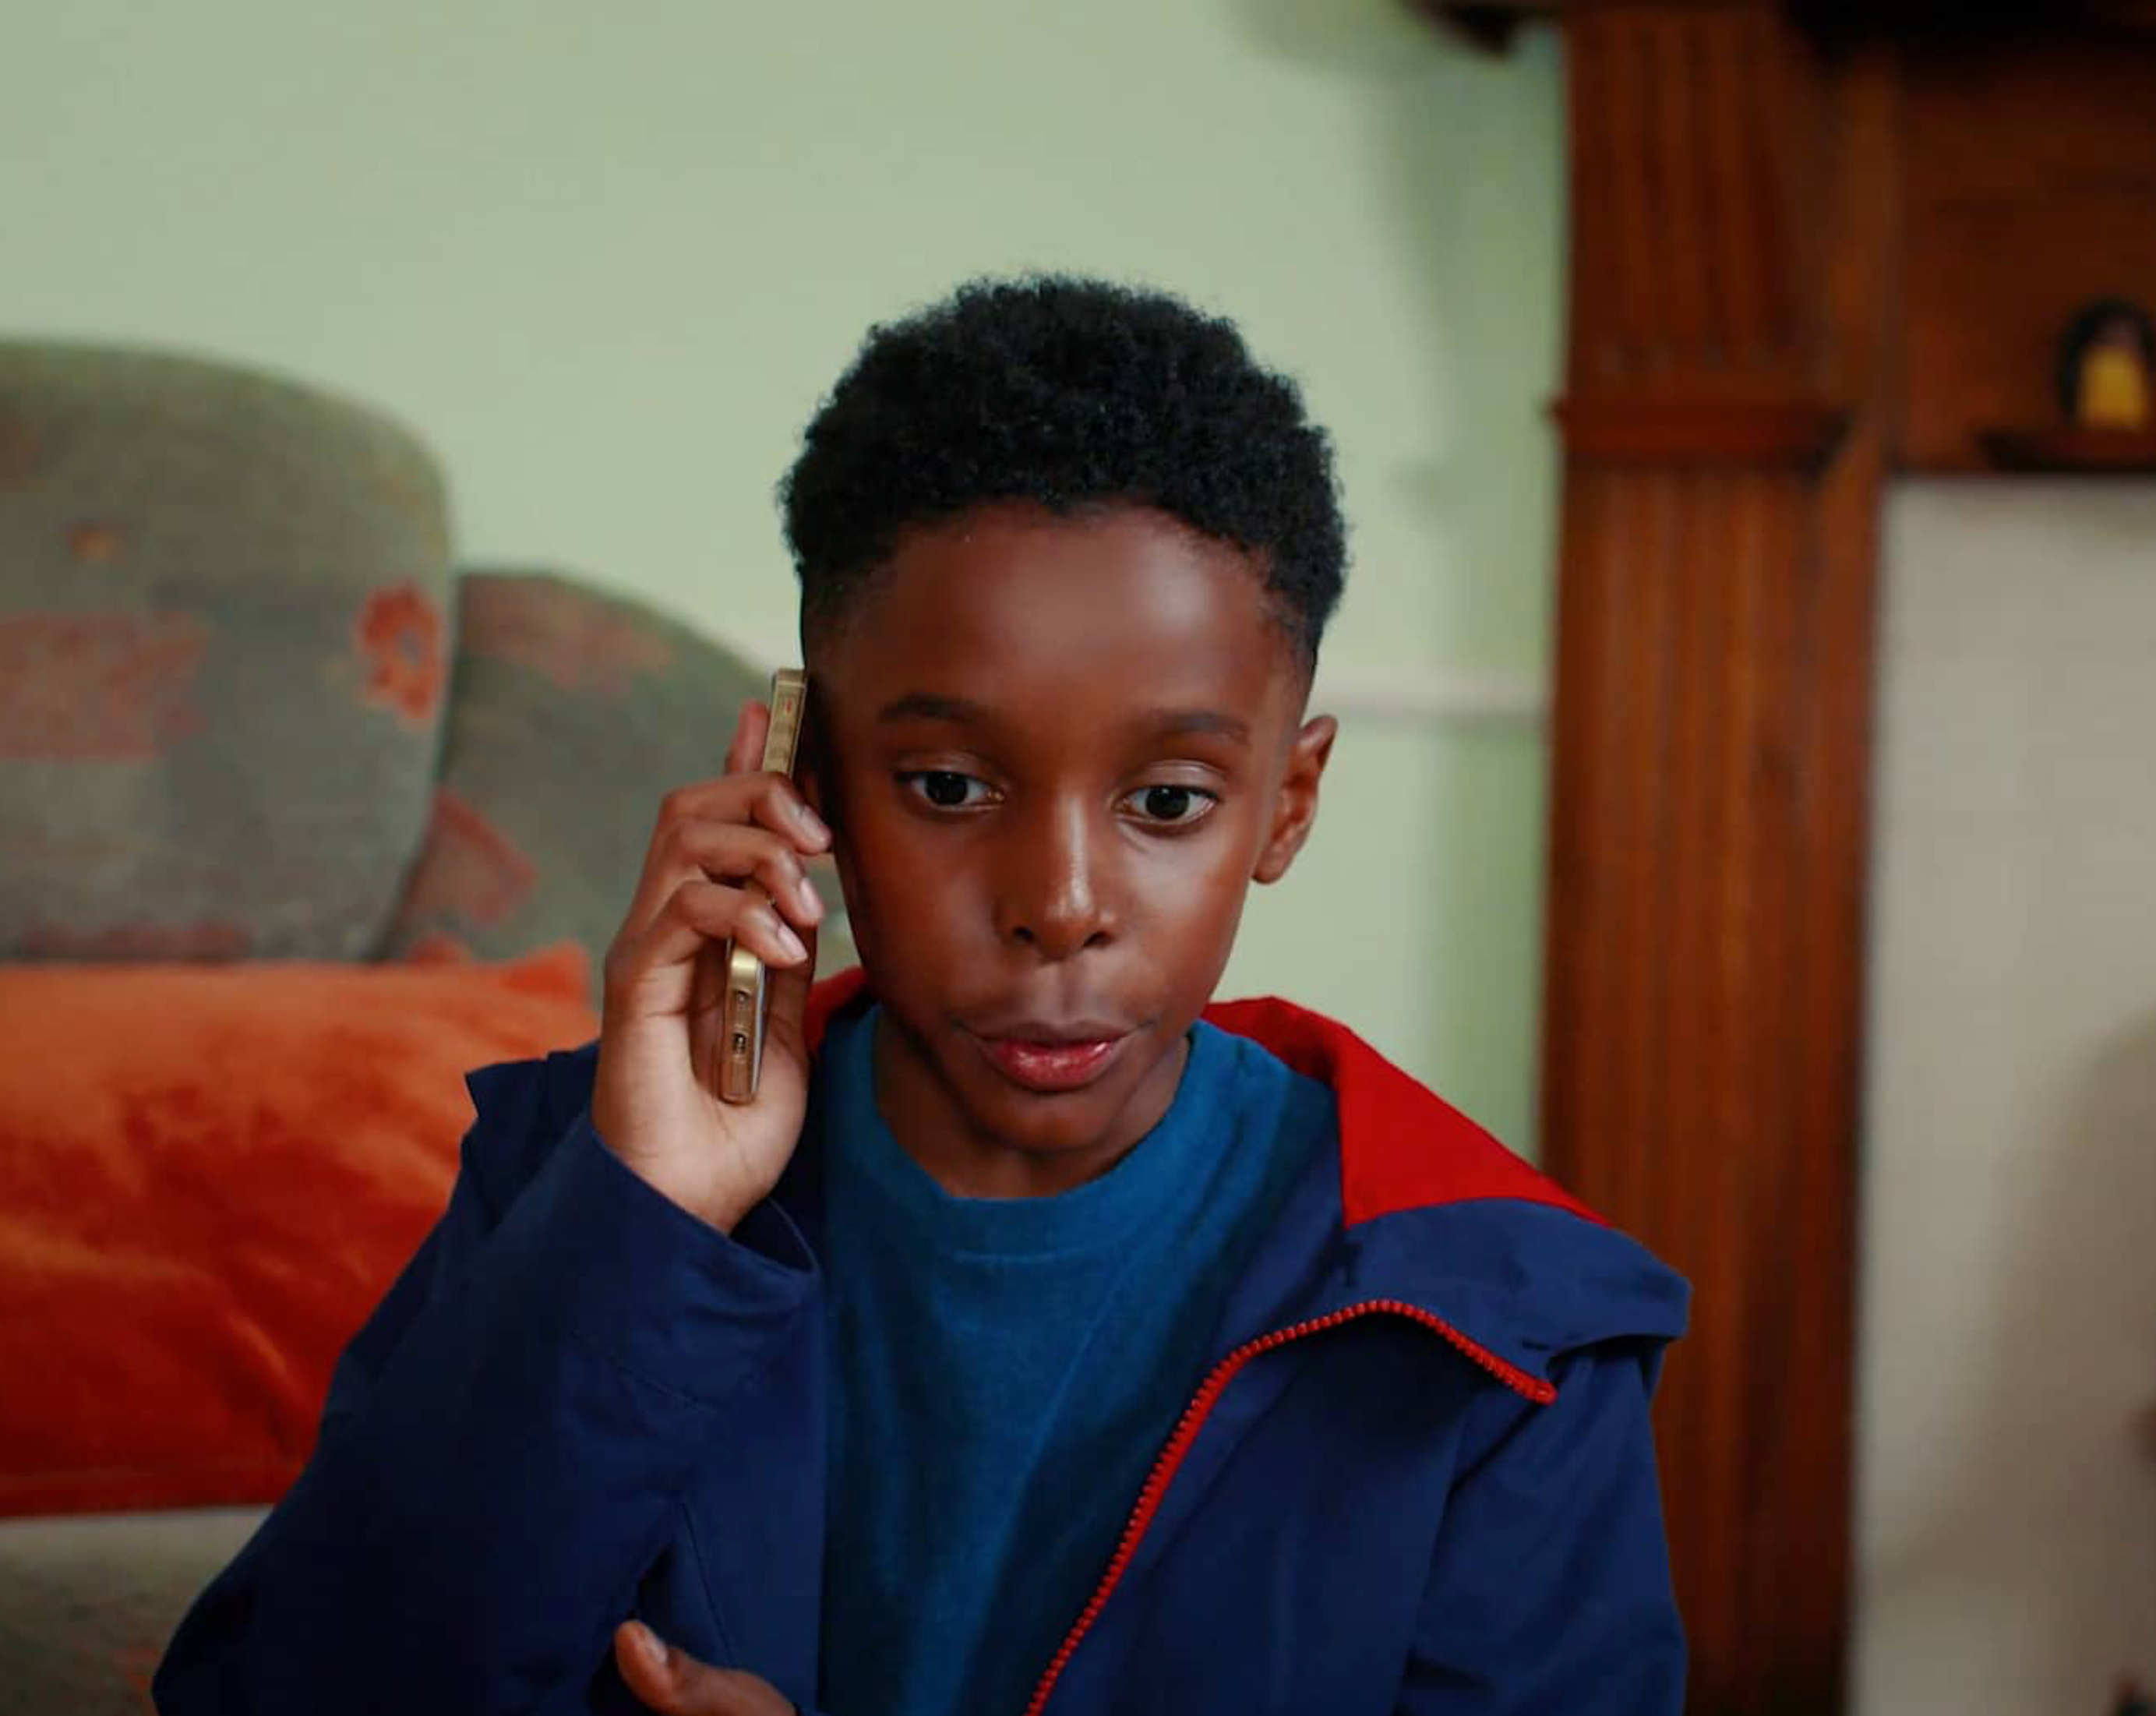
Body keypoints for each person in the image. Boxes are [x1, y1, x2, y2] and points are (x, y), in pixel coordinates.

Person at [153, 275, 1689, 1716]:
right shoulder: (583, 1184)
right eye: (949, 784)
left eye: (1167, 800)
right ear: (808, 780)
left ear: (1285, 805)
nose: (1060, 905)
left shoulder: (1498, 1329)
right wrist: (643, 1224)